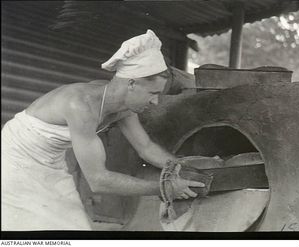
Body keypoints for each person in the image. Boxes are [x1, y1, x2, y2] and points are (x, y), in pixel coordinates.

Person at [1, 29, 205, 230]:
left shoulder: (123, 106)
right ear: (132, 83)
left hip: (51, 161)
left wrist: (184, 166)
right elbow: (98, 181)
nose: (155, 101)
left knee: (74, 228)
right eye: (153, 93)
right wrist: (164, 187)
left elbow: (146, 147)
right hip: (15, 158)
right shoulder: (81, 105)